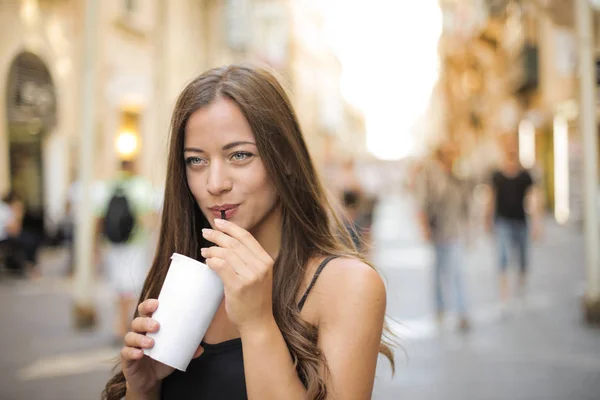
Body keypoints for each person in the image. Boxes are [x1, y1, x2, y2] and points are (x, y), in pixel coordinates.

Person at [103, 65, 395, 400]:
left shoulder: (348, 285)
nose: (215, 184)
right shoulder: (183, 279)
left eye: (239, 155)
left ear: (284, 158)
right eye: (196, 161)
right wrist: (144, 390)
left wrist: (258, 325)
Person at [96, 160, 157, 343]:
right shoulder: (141, 186)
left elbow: (98, 217)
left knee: (119, 287)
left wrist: (95, 247)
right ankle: (126, 325)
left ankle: (119, 325)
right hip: (135, 243)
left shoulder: (108, 186)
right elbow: (147, 217)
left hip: (113, 243)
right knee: (132, 285)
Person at [417, 142, 472, 332]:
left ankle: (462, 313)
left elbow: (464, 202)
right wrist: (424, 228)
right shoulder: (430, 174)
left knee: (457, 272)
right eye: (448, 153)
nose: (451, 156)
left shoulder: (457, 175)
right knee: (439, 272)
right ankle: (440, 308)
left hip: (454, 231)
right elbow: (422, 203)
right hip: (437, 231)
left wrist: (469, 228)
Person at [485, 138, 542, 308]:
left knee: (523, 259)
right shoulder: (496, 175)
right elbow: (491, 198)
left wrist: (537, 223)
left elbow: (532, 199)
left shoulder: (525, 176)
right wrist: (487, 220)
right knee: (503, 259)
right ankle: (504, 298)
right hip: (503, 222)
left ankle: (521, 289)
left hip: (521, 222)